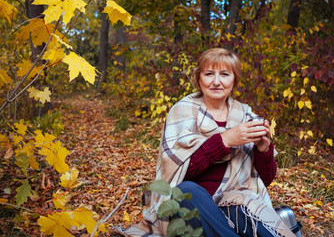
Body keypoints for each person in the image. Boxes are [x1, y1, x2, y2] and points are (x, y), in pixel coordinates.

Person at [114, 48, 295, 237]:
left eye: (224, 74)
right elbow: (178, 172)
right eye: (209, 74)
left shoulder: (246, 116)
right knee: (186, 191)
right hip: (190, 209)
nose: (216, 81)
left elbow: (263, 181)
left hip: (233, 204)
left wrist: (263, 150)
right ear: (199, 79)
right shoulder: (182, 112)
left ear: (234, 80)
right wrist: (226, 140)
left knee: (250, 214)